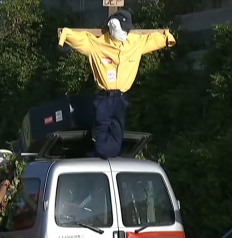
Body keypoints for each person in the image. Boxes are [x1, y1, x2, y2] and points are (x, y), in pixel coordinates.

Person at [58, 10, 176, 159]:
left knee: (117, 128)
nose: (126, 33)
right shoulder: (97, 44)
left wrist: (167, 37)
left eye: (128, 29)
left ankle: (112, 154)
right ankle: (101, 154)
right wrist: (65, 35)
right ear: (113, 25)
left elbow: (152, 40)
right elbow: (79, 39)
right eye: (124, 28)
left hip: (121, 97)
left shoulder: (135, 43)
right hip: (104, 97)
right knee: (102, 126)